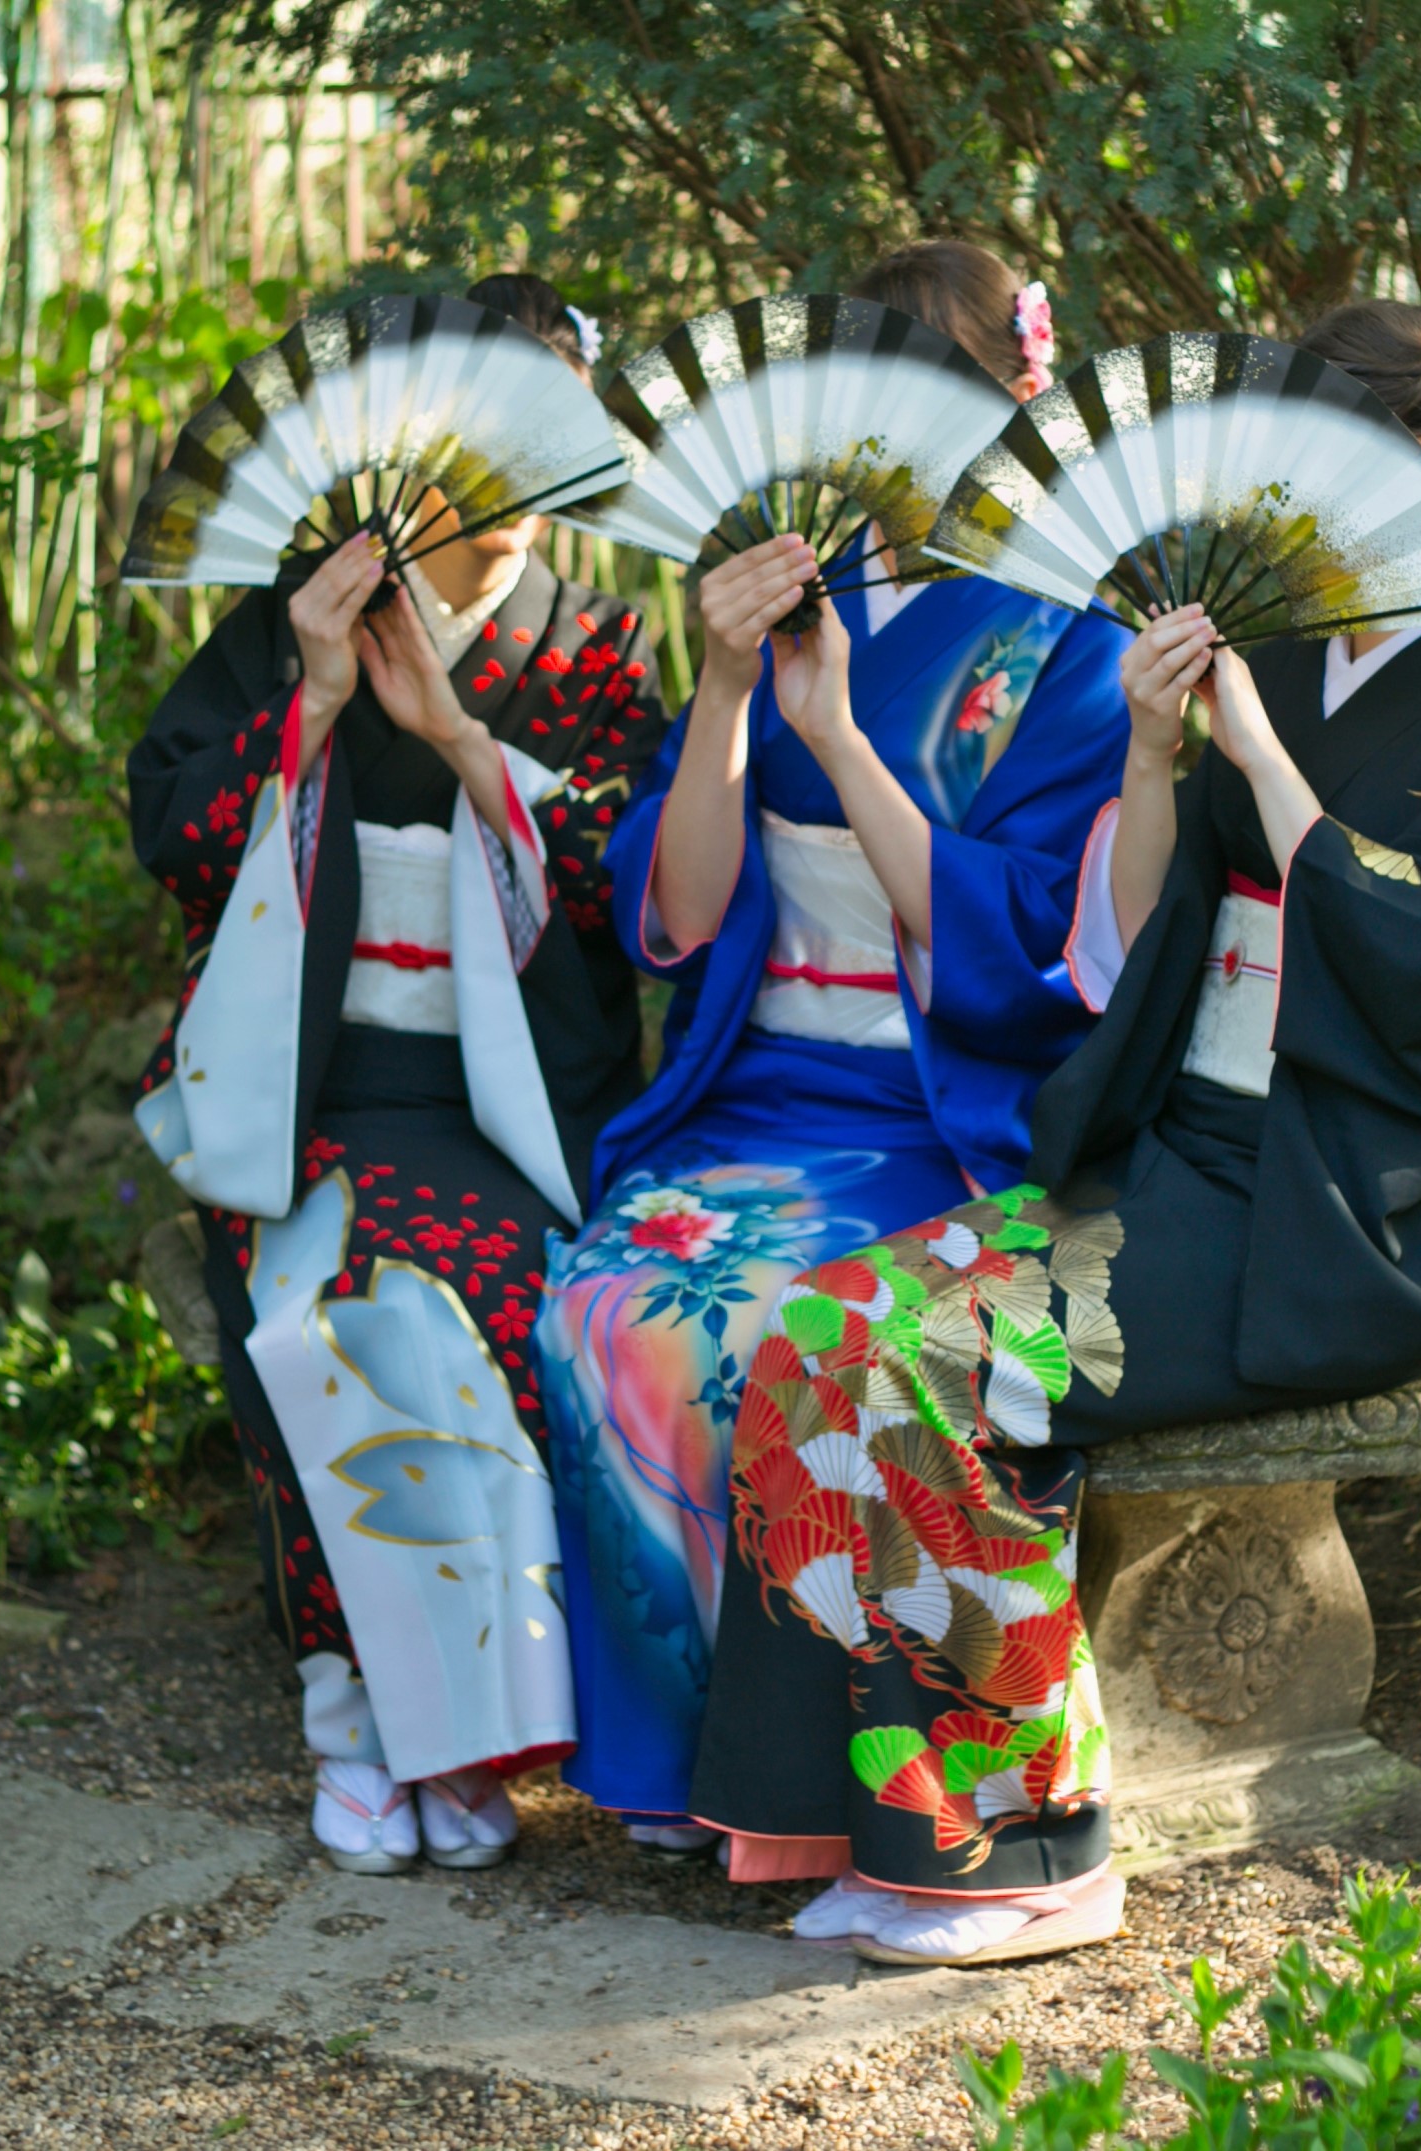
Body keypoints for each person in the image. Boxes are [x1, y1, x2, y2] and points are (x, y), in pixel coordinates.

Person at [687, 298, 1421, 1963]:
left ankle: (1034, 1842)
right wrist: (1151, 750)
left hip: (1349, 1198)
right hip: (1189, 1155)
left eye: (1347, 463)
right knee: (822, 1329)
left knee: (947, 1359)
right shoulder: (1290, 657)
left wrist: (1262, 761)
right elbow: (1128, 952)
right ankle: (861, 1812)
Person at [532, 241, 1132, 1859]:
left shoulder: (1068, 642)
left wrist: (844, 743)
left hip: (932, 1112)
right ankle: (677, 1756)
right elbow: (679, 907)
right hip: (753, 1089)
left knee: (756, 1338)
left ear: (1009, 413)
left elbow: (1031, 953)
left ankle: (795, 1781)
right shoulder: (795, 591)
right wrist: (729, 684)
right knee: (603, 1314)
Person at [129, 273, 668, 1875]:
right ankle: (355, 1708)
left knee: (507, 1307)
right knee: (331, 1308)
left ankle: (478, 1725)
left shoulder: (593, 649)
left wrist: (459, 743)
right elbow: (178, 840)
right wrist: (311, 697)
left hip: (507, 1105)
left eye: (553, 452)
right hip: (306, 1092)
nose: (518, 489)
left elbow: (626, 894)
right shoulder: (295, 619)